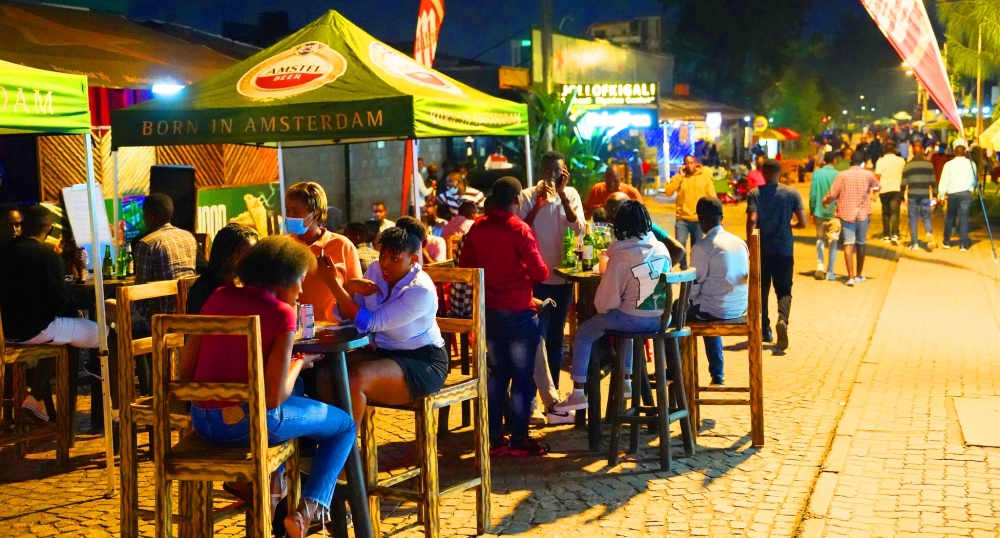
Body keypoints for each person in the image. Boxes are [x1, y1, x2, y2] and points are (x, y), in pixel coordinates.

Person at [179, 235, 355, 538]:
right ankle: (307, 512)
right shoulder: (282, 314)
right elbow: (272, 399)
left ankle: (274, 483)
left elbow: (185, 371)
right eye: (299, 282)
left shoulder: (218, 297)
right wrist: (301, 362)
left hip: (202, 421)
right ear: (283, 280)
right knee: (344, 426)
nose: (301, 291)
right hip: (245, 426)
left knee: (297, 389)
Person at [321, 217, 449, 429]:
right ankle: (328, 439)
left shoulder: (421, 290)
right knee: (326, 371)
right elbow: (346, 315)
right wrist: (351, 286)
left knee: (356, 379)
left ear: (413, 259)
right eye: (382, 255)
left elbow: (370, 322)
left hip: (423, 361)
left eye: (394, 259)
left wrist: (334, 285)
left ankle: (347, 452)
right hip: (383, 353)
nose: (385, 264)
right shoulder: (374, 270)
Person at [460, 177, 550, 457]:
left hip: (490, 312)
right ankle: (519, 439)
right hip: (519, 311)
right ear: (516, 200)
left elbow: (465, 266)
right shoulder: (519, 230)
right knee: (523, 377)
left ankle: (494, 439)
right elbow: (541, 273)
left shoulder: (478, 227)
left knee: (498, 374)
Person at [555, 201, 672, 411]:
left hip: (633, 321)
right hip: (662, 319)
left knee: (585, 332)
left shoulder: (621, 257)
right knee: (624, 321)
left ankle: (579, 392)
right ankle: (626, 380)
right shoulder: (661, 248)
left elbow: (604, 304)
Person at [0, 205, 99, 421]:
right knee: (110, 337)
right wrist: (77, 314)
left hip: (7, 331)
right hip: (36, 329)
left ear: (23, 226)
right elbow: (59, 301)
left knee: (65, 336)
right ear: (51, 229)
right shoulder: (47, 256)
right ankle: (117, 410)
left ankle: (34, 399)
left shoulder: (4, 252)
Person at [518, 151, 585, 391]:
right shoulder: (527, 195)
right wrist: (539, 204)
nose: (552, 176)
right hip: (535, 277)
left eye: (557, 171)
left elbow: (579, 229)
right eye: (548, 171)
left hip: (562, 277)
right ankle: (534, 394)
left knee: (556, 338)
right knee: (537, 337)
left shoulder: (571, 194)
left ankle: (553, 391)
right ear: (541, 171)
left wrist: (563, 196)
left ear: (564, 171)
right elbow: (519, 228)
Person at [746, 159, 806, 351]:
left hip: (762, 251)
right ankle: (783, 320)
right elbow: (803, 221)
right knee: (784, 290)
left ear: (763, 173)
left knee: (761, 291)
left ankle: (765, 329)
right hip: (784, 250)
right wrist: (792, 225)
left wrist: (750, 243)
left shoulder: (755, 194)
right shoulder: (792, 193)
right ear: (780, 173)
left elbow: (752, 220)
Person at [689, 197, 749, 386]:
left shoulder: (702, 247)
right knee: (709, 304)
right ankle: (717, 375)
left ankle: (677, 371)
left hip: (716, 310)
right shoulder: (740, 242)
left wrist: (687, 302)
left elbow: (694, 284)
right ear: (721, 217)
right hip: (740, 307)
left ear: (701, 220)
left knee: (677, 311)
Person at [285, 182, 363, 323]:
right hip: (294, 334)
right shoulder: (284, 247)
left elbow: (356, 296)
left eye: (296, 212)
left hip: (336, 333)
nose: (290, 216)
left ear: (316, 214)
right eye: (287, 211)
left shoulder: (342, 245)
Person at [133, 193, 198, 316]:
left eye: (144, 213)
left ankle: (124, 335)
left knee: (108, 305)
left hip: (160, 317)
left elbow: (139, 291)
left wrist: (142, 317)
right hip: (188, 313)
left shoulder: (146, 243)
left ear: (150, 217)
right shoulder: (189, 237)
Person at [823, 152, 880, 286]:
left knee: (848, 244)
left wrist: (825, 201)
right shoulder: (868, 174)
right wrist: (873, 193)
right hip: (863, 214)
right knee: (861, 243)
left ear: (850, 162)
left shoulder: (842, 175)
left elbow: (833, 194)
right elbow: (877, 186)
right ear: (862, 163)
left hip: (846, 213)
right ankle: (859, 275)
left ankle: (850, 277)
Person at [186, 223, 258, 315]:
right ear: (227, 255)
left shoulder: (249, 284)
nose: (252, 260)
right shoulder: (207, 291)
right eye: (247, 255)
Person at [604, 192, 687, 266]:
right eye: (606, 212)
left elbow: (679, 250)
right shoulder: (608, 228)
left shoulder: (644, 227)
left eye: (613, 216)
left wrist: (660, 274)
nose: (609, 221)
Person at [665, 155, 717, 268]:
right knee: (680, 245)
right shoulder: (680, 177)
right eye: (687, 163)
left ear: (696, 163)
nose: (689, 165)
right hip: (682, 220)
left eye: (692, 162)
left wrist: (714, 217)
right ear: (684, 165)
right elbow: (668, 192)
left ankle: (694, 270)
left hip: (699, 220)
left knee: (696, 248)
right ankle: (683, 268)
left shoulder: (704, 178)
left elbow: (713, 197)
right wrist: (679, 176)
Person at [939, 140, 977, 251]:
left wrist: (941, 195)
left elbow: (944, 181)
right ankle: (963, 244)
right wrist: (971, 188)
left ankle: (946, 240)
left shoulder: (948, 165)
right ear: (964, 152)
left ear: (954, 152)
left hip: (953, 193)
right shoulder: (971, 164)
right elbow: (974, 180)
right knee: (964, 218)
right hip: (966, 193)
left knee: (950, 217)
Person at [901, 141, 938, 251]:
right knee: (926, 216)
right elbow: (933, 181)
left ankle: (915, 243)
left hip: (912, 195)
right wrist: (935, 194)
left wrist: (901, 196)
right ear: (922, 151)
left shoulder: (908, 165)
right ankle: (928, 232)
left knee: (913, 218)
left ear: (912, 151)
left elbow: (903, 182)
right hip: (925, 194)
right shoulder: (929, 165)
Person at [810, 152, 840, 281]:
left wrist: (812, 211)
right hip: (835, 213)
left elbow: (813, 195)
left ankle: (820, 266)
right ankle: (830, 271)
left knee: (820, 239)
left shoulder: (817, 174)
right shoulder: (839, 174)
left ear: (823, 161)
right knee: (833, 241)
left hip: (819, 212)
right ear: (834, 160)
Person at [874, 141, 905, 245]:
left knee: (886, 212)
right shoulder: (901, 161)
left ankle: (886, 234)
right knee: (895, 212)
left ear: (884, 150)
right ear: (894, 149)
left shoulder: (880, 161)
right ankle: (895, 234)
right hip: (896, 188)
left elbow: (877, 177)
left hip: (884, 189)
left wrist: (875, 190)